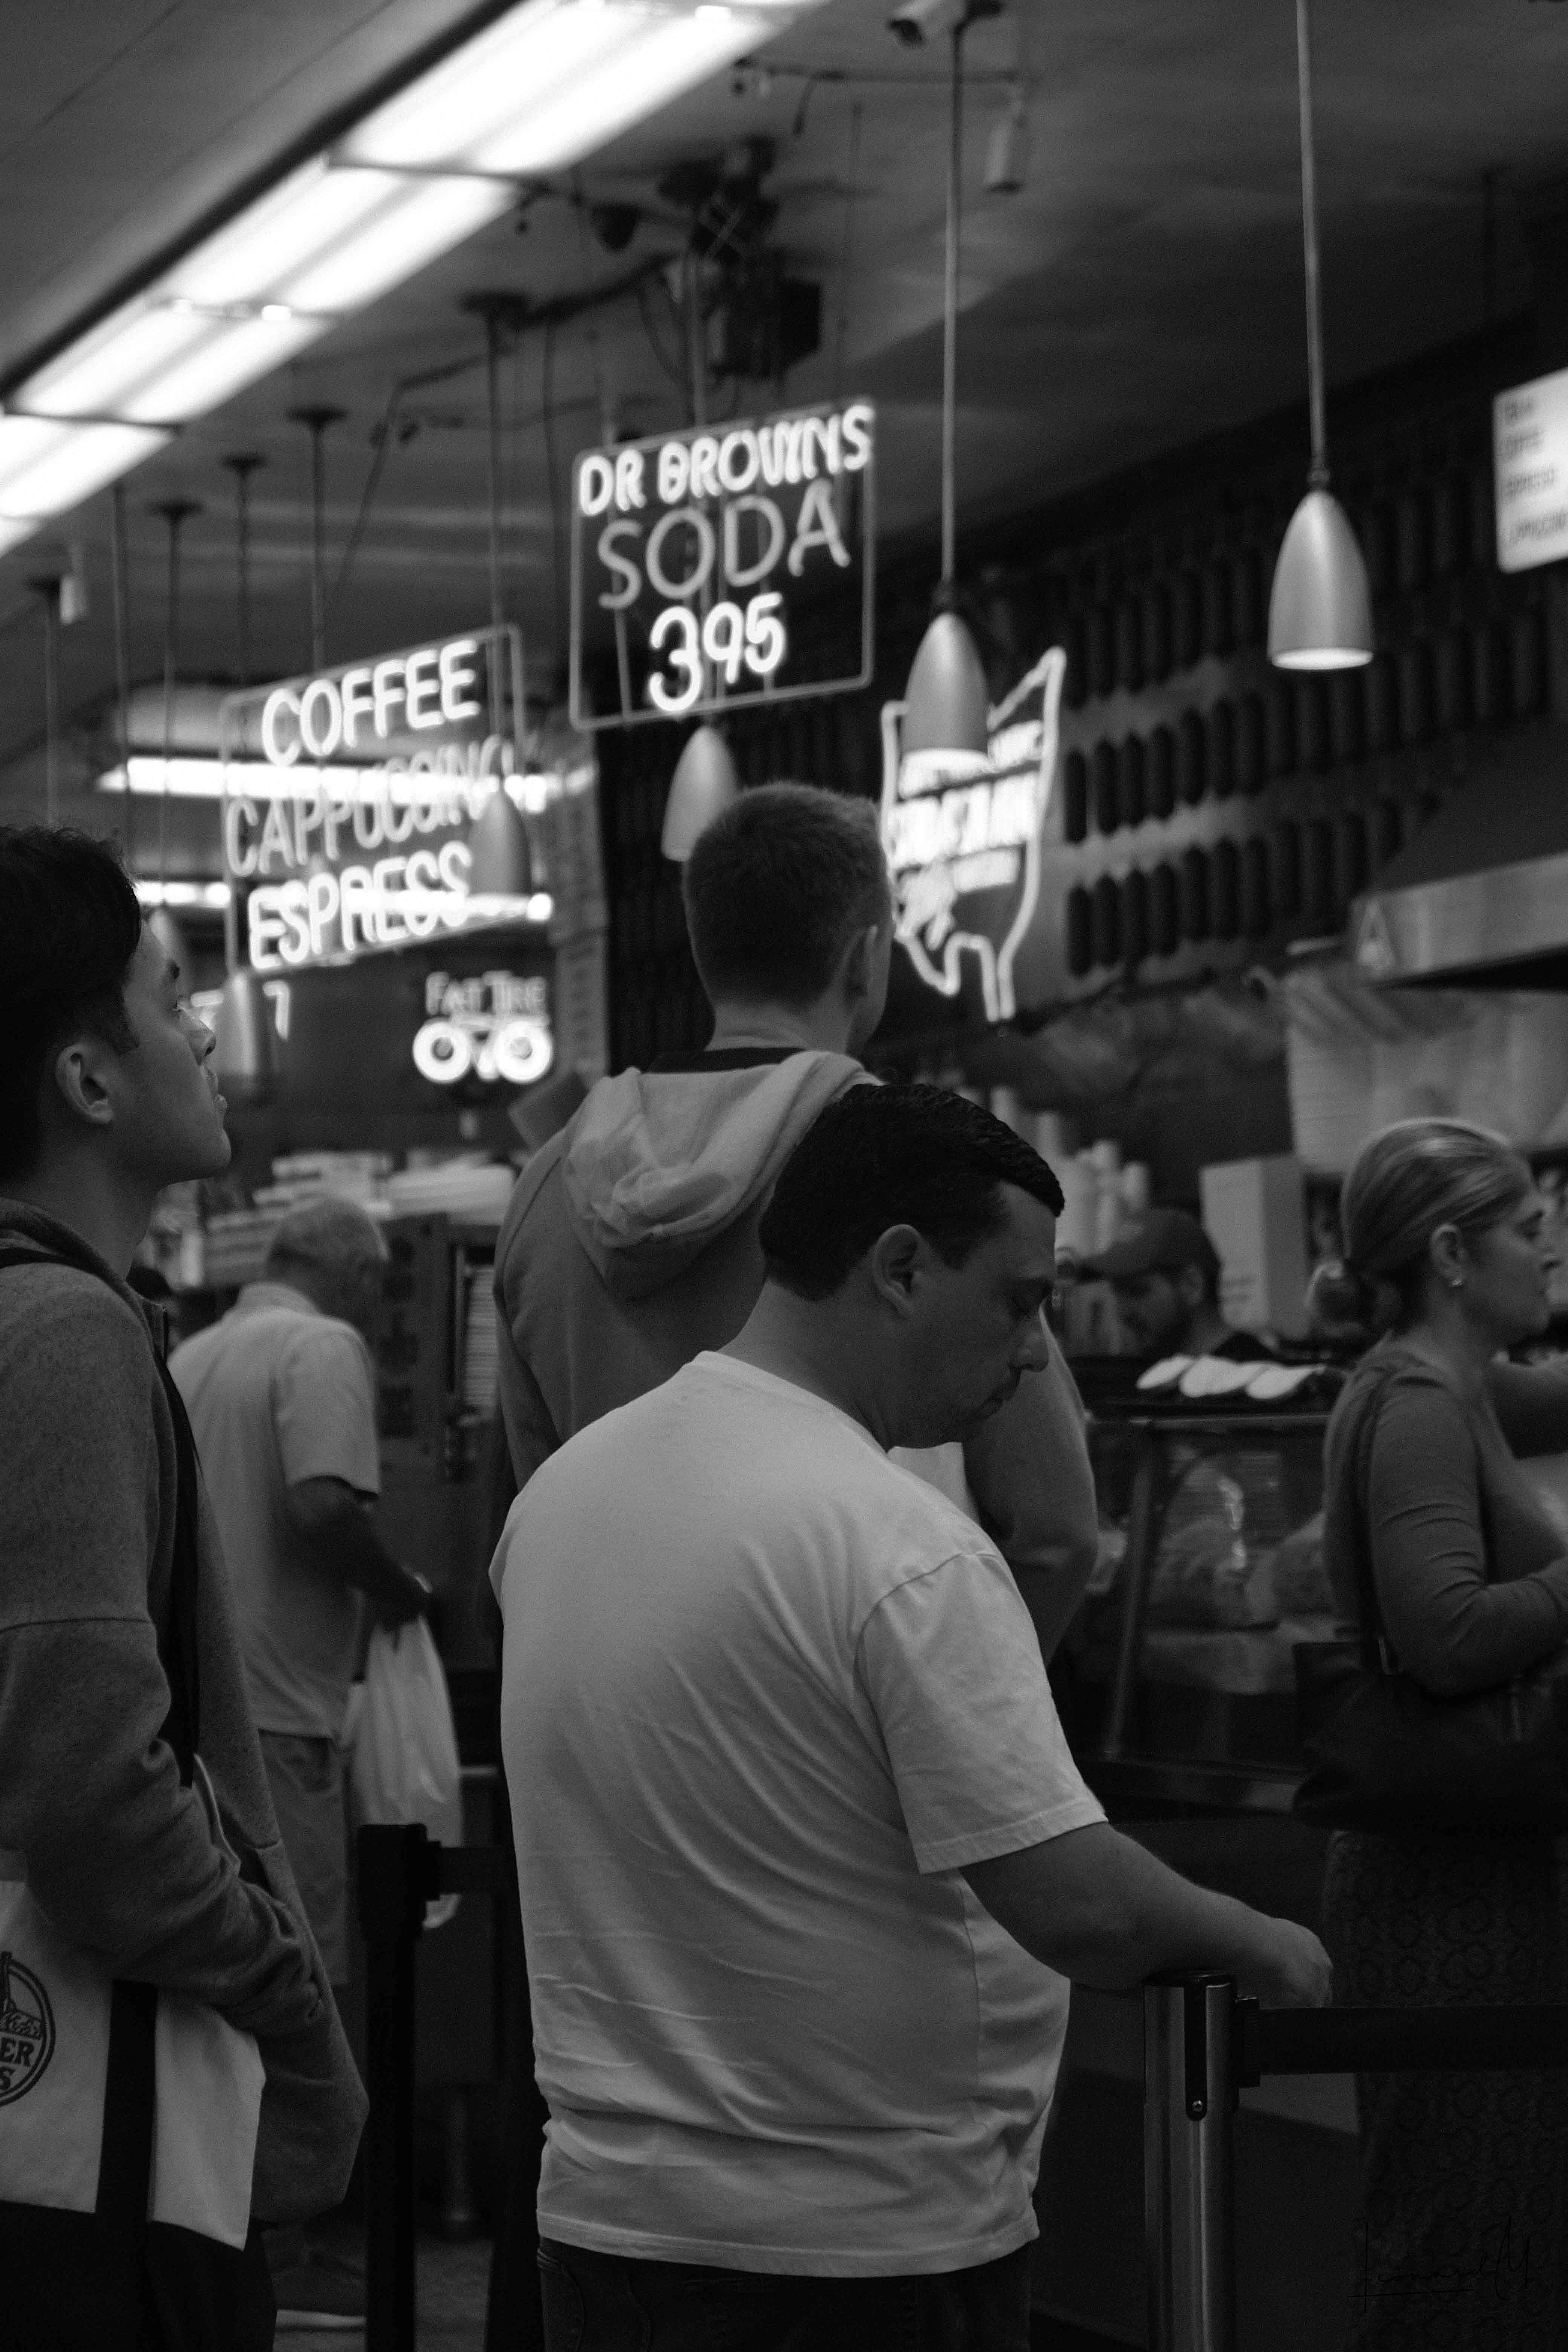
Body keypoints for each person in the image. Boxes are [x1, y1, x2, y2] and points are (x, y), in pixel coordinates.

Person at [493, 1083, 1331, 2352]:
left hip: (606, 2232)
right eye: (1019, 1298)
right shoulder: (902, 1549)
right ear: (897, 1269)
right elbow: (1077, 1905)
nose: (1039, 1348)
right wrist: (1266, 1942)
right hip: (857, 2253)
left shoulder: (560, 1496)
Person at [486, 783, 1100, 2348]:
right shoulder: (903, 1166)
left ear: (697, 944)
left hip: (617, 1931)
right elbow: (1048, 1522)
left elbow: (529, 1511)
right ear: (867, 953)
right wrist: (954, 1740)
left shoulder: (548, 1188)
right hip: (870, 2003)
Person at [0, 827, 364, 2347]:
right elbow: (91, 1781)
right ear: (88, 1078)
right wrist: (289, 1999)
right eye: (169, 996)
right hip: (92, 2184)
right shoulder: (67, 1335)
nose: (206, 1031)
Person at [1308, 1119, 1568, 2352]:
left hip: (1474, 1862)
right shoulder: (1416, 1398)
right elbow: (1450, 1631)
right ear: (1455, 1253)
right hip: (1444, 1884)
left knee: (1497, 2223)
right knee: (1459, 2240)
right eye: (1529, 1226)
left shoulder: (1453, 1381)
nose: (1552, 1245)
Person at [170, 1196, 427, 2329]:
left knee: (223, 1980)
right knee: (305, 1973)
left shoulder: (189, 1352)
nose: (378, 1304)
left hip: (198, 1719)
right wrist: (405, 1586)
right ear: (346, 1275)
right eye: (376, 1284)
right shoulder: (321, 1347)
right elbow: (324, 1505)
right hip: (283, 1712)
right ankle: (298, 2251)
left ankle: (232, 2233)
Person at [1085, 1204, 1274, 1360]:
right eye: (1116, 1293)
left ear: (1192, 1286)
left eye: (1136, 1291)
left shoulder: (1257, 1383)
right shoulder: (1157, 1374)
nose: (1121, 1311)